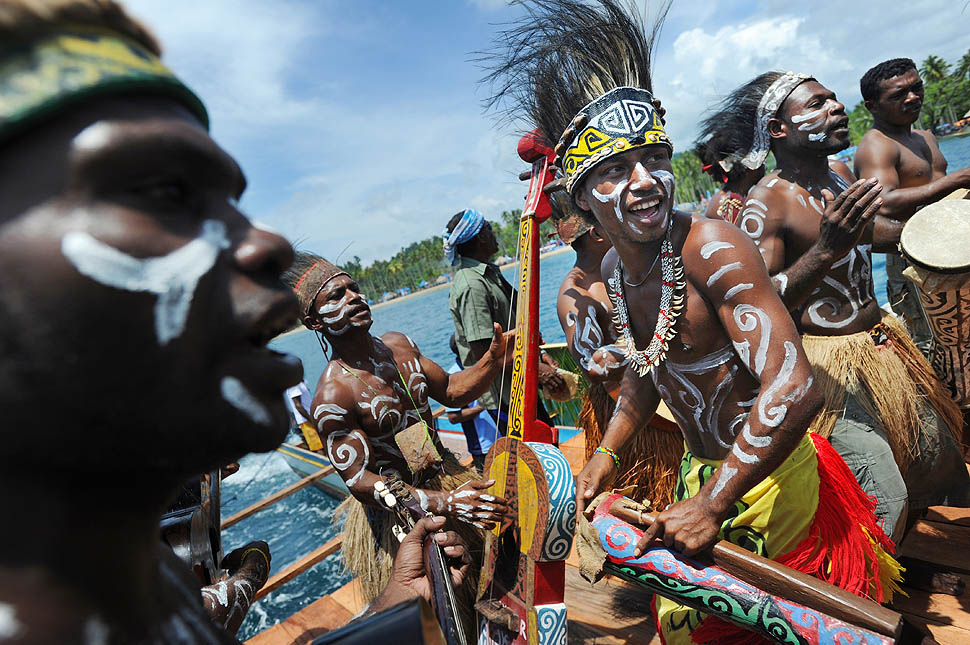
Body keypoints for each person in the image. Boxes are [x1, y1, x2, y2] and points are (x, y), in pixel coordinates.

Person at [0, 2, 470, 642]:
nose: (267, 244)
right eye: (165, 194)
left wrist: (391, 612)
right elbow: (364, 478)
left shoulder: (136, 584)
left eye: (231, 203)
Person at [482, 1, 900, 641]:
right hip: (702, 474)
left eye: (654, 160)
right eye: (617, 169)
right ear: (583, 196)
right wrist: (606, 456)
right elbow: (650, 373)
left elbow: (793, 387)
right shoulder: (617, 276)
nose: (646, 182)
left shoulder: (710, 246)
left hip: (771, 482)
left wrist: (713, 502)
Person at [708, 70, 969, 550]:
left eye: (833, 99)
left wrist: (945, 235)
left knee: (943, 460)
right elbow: (755, 309)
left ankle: (922, 566)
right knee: (881, 499)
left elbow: (874, 236)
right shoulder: (765, 205)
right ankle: (861, 607)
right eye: (815, 104)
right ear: (777, 130)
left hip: (884, 347)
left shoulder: (840, 176)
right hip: (826, 368)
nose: (836, 108)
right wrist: (823, 251)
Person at [283, 251, 511, 642]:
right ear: (314, 322)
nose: (353, 297)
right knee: (442, 622)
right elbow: (358, 481)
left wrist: (492, 359)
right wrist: (445, 503)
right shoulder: (332, 396)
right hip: (403, 521)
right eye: (335, 296)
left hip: (449, 476)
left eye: (353, 287)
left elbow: (453, 391)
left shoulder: (400, 346)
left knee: (497, 590)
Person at [549, 189, 682, 509]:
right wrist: (657, 339)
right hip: (630, 415)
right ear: (597, 232)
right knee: (652, 501)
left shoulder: (632, 264)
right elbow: (593, 367)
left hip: (671, 395)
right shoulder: (576, 293)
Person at [855, 57, 970, 352]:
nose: (913, 97)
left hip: (956, 250)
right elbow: (882, 203)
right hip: (915, 262)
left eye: (917, 87)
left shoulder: (925, 137)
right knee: (936, 345)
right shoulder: (877, 145)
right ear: (873, 106)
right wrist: (956, 180)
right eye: (899, 95)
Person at [444, 208, 566, 432]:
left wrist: (540, 356)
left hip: (520, 382)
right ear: (480, 237)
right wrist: (536, 370)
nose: (494, 234)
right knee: (532, 457)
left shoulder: (487, 275)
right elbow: (485, 354)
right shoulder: (472, 284)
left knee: (546, 442)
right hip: (505, 395)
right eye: (489, 229)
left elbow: (512, 328)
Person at [445, 334, 497, 471]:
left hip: (501, 436)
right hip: (483, 446)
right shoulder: (453, 376)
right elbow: (453, 417)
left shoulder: (481, 366)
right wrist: (482, 406)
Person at [694, 129, 765, 225]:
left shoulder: (734, 197)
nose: (764, 165)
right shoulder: (728, 204)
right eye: (760, 160)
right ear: (747, 165)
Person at [286, 379, 323, 450]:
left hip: (312, 416)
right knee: (318, 447)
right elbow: (298, 406)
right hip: (306, 420)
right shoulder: (293, 385)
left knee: (322, 443)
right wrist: (311, 421)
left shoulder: (302, 381)